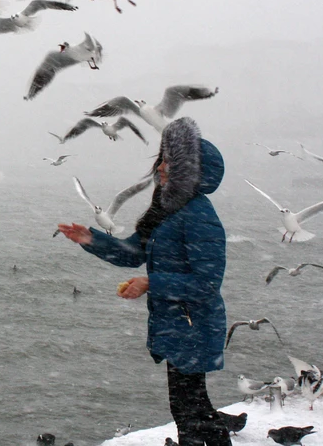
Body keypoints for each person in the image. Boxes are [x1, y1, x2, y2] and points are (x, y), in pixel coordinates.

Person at [57, 117, 231, 446]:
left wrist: (152, 284)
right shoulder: (167, 209)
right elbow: (133, 252)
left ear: (188, 173)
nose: (161, 167)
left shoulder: (199, 215)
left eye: (170, 162)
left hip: (194, 326)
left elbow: (207, 284)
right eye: (162, 158)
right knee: (195, 410)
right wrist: (91, 240)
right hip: (179, 327)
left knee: (189, 413)